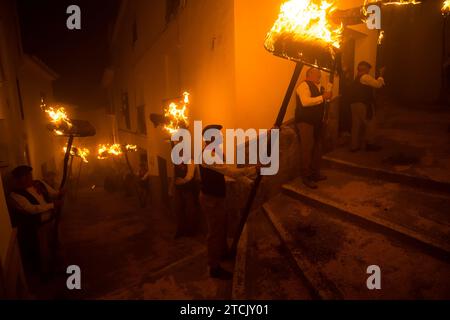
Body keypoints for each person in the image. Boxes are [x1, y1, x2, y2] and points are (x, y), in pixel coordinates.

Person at [199, 124, 258, 280]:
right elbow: (229, 171)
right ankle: (214, 267)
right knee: (214, 233)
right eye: (217, 135)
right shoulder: (208, 154)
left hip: (217, 197)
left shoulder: (216, 152)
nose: (221, 137)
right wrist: (254, 170)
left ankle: (222, 254)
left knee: (221, 227)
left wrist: (246, 181)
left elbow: (225, 173)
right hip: (211, 199)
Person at [8, 166, 63, 278]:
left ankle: (59, 268)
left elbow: (53, 194)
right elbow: (31, 209)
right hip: (38, 227)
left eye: (29, 174)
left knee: (57, 245)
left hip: (52, 221)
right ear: (18, 179)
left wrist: (60, 193)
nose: (29, 178)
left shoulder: (38, 184)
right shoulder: (15, 195)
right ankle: (46, 274)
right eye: (25, 176)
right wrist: (52, 205)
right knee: (44, 252)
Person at [295, 67, 333, 189]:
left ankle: (315, 173)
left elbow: (320, 103)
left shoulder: (318, 87)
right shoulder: (303, 85)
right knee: (307, 149)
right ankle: (306, 176)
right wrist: (323, 97)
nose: (319, 76)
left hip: (317, 122)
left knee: (317, 147)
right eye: (317, 74)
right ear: (309, 74)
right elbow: (305, 102)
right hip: (306, 122)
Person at [350, 61, 385, 152]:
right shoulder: (365, 77)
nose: (369, 71)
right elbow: (378, 85)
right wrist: (381, 75)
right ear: (366, 69)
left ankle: (354, 147)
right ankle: (370, 144)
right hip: (363, 104)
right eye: (368, 68)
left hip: (354, 105)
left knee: (356, 126)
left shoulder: (356, 78)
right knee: (371, 124)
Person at [173, 154, 200, 238]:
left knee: (190, 211)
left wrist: (180, 181)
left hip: (189, 190)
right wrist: (171, 188)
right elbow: (174, 176)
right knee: (178, 210)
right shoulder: (176, 162)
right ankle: (180, 229)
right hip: (178, 190)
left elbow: (189, 176)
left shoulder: (191, 161)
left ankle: (191, 231)